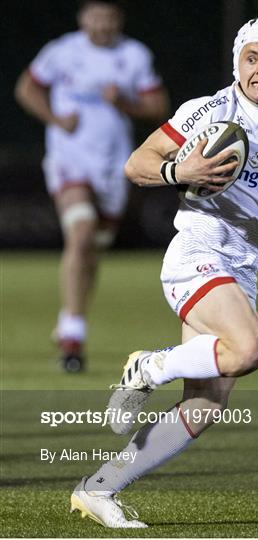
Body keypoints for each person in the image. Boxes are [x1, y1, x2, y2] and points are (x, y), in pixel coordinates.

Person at [69, 18, 258, 528]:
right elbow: (137, 163)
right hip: (198, 250)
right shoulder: (209, 111)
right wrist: (178, 172)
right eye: (252, 58)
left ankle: (99, 488)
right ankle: (149, 367)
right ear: (237, 62)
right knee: (252, 349)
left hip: (244, 266)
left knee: (204, 407)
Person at [14, 0, 169, 372]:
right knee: (81, 235)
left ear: (119, 19)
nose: (102, 25)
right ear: (83, 18)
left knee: (92, 252)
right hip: (70, 160)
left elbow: (158, 105)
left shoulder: (133, 55)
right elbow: (26, 89)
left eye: (109, 17)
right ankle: (72, 334)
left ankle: (72, 319)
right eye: (95, 17)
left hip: (114, 166)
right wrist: (53, 118)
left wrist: (126, 103)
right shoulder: (61, 51)